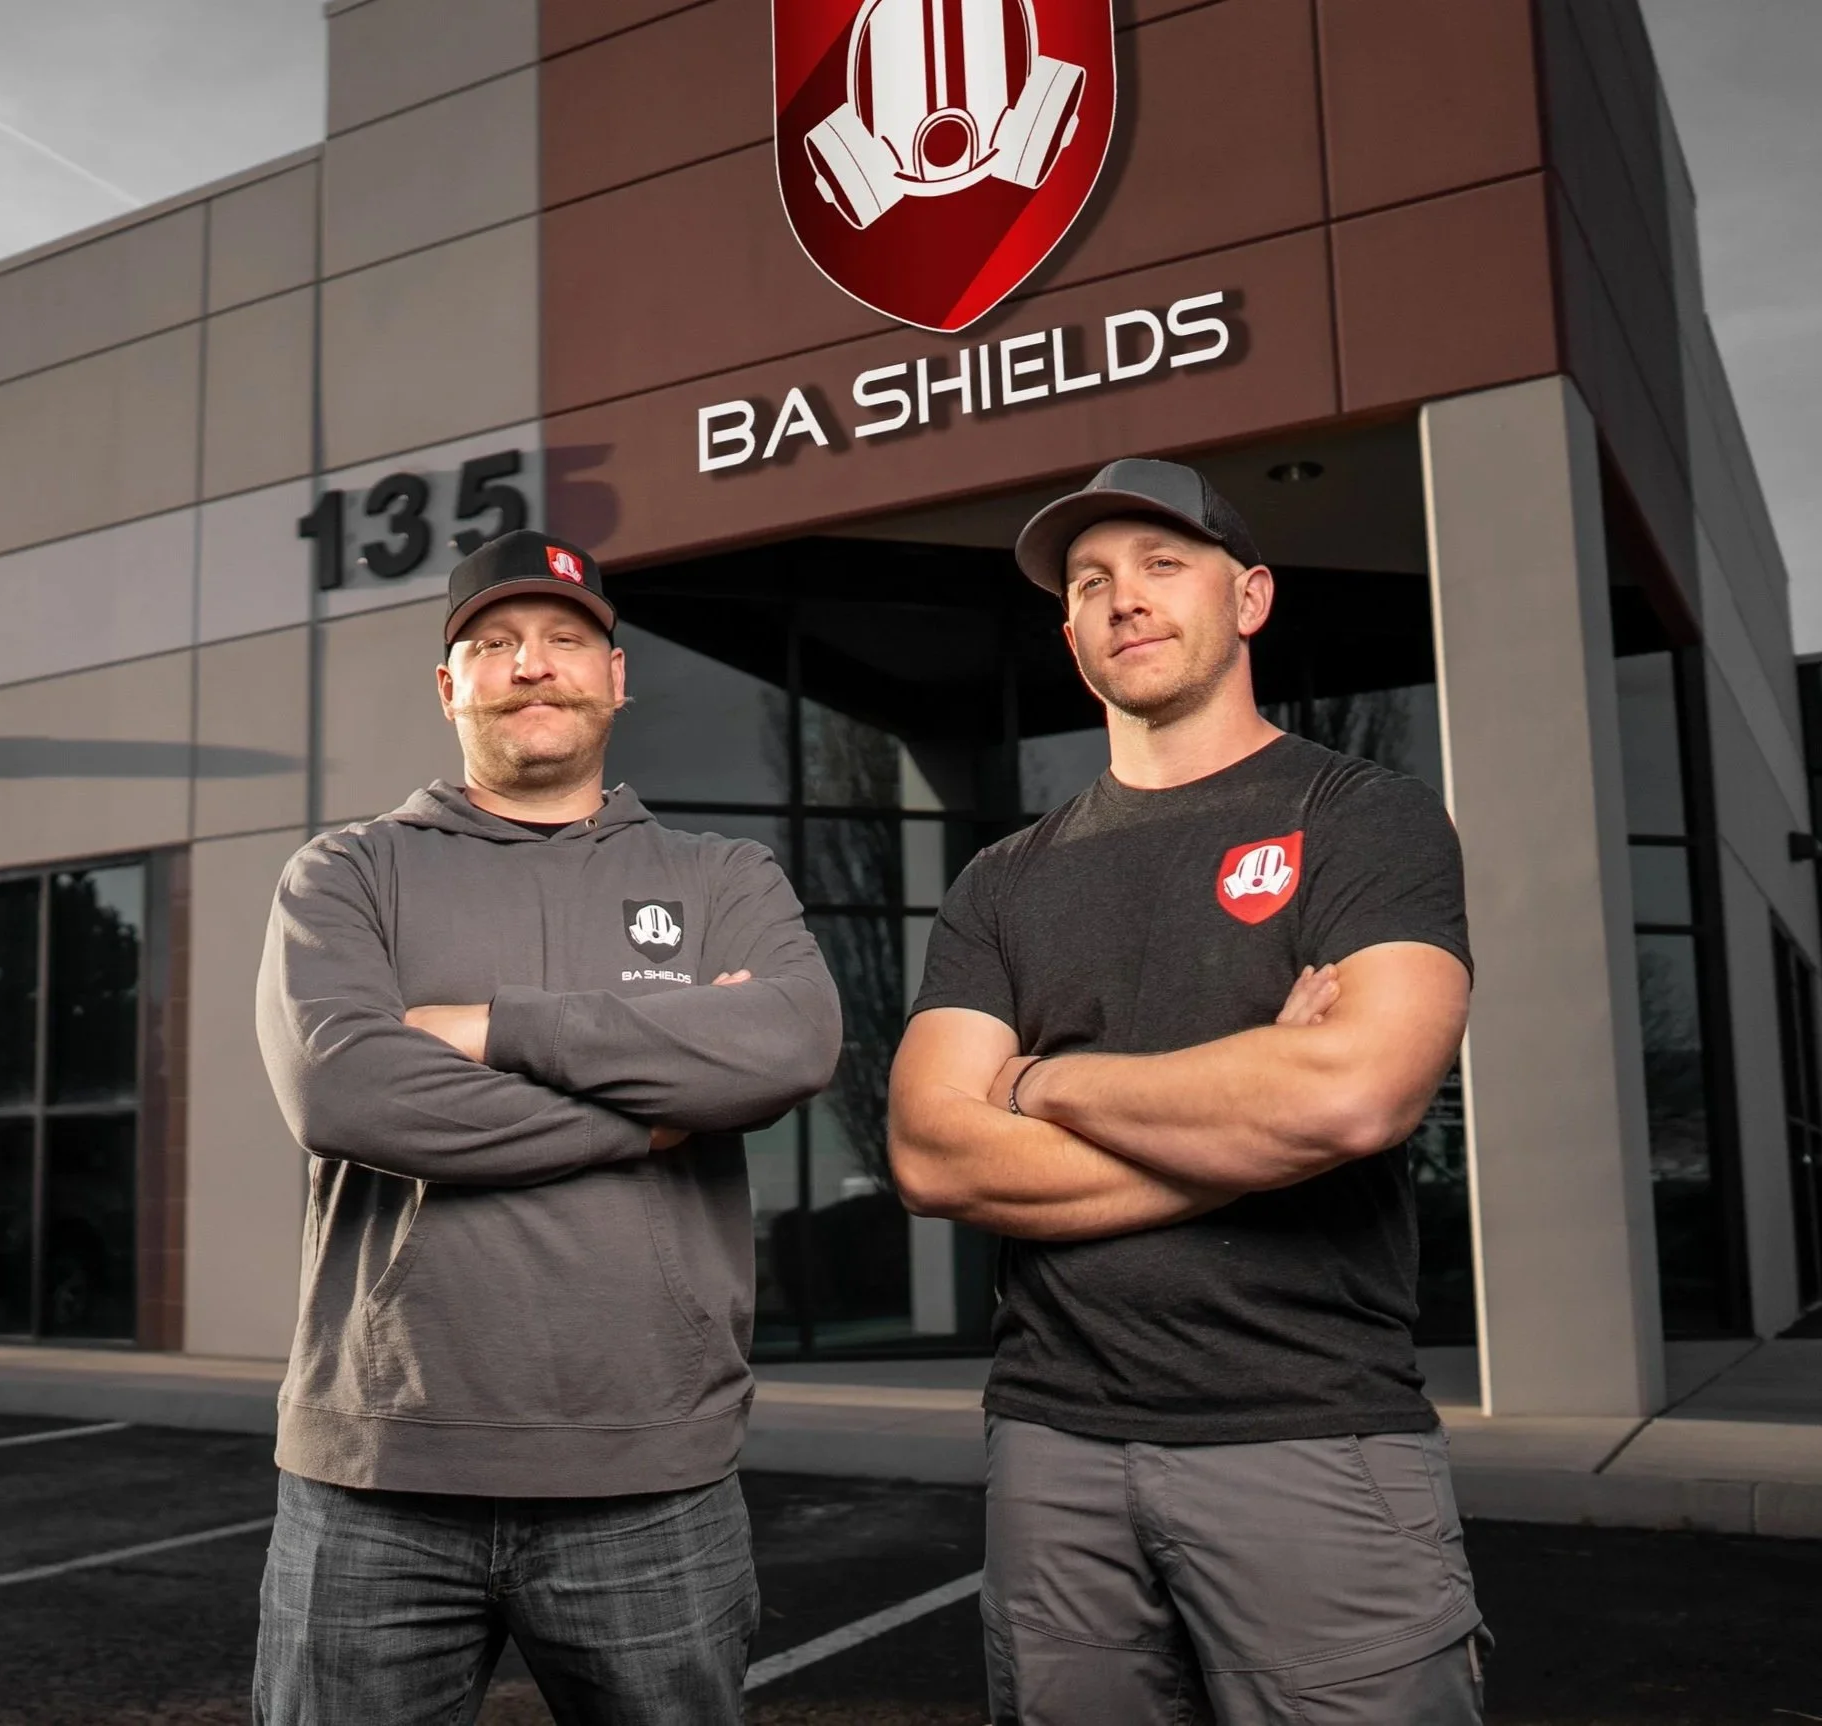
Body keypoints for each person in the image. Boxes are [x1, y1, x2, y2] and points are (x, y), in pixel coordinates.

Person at [888, 459, 1488, 1724]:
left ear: (1250, 597)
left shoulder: (1361, 816)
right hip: (1050, 1448)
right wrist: (1243, 1113)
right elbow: (935, 1152)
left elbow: (1350, 1097)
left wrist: (1043, 1080)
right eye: (1091, 582)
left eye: (1162, 565)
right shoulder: (1003, 879)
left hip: (1310, 1435)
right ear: (1069, 636)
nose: (1123, 598)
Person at [252, 529, 841, 1725]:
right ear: (449, 685)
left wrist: (488, 1026)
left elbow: (788, 1044)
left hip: (652, 1472)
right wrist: (651, 1104)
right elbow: (347, 1094)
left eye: (568, 641)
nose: (534, 665)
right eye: (497, 644)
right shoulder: (349, 874)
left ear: (616, 679)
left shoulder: (720, 875)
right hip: (378, 1475)